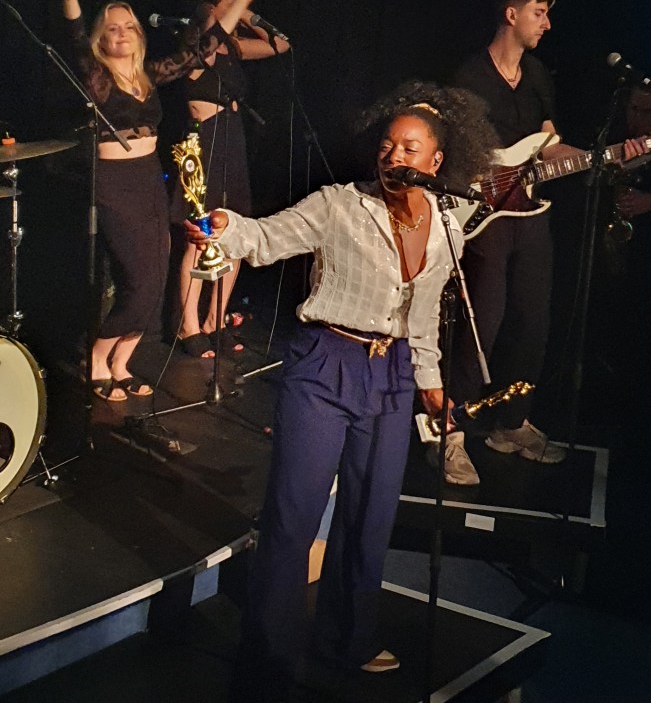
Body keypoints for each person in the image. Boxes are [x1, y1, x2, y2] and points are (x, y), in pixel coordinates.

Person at [185, 81, 494, 698]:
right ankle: (268, 660)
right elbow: (267, 237)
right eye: (387, 145)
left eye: (410, 148)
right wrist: (225, 229)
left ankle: (347, 640)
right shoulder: (340, 205)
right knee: (293, 517)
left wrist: (431, 388)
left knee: (370, 517)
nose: (394, 156)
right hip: (326, 363)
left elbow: (424, 318)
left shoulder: (447, 227)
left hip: (392, 374)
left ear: (436, 162)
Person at [35, 0, 258, 402]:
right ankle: (97, 358)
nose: (120, 33)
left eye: (128, 26)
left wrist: (241, 1)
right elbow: (73, 32)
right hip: (113, 185)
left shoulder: (149, 76)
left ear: (139, 35)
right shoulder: (96, 78)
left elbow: (202, 50)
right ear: (102, 38)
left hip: (148, 176)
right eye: (112, 28)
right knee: (137, 280)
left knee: (156, 280)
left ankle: (122, 363)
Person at [452, 0, 647, 474]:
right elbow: (458, 151)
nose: (547, 24)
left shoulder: (538, 74)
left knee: (534, 323)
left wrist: (604, 157)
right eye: (539, 13)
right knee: (482, 326)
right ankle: (450, 431)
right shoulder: (470, 76)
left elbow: (548, 145)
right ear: (511, 14)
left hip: (532, 213)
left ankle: (512, 422)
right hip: (488, 216)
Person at [173, 0, 290, 359]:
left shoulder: (233, 48)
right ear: (209, 8)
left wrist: (249, 12)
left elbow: (281, 44)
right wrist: (238, 3)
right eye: (229, 2)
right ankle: (188, 325)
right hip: (204, 142)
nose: (237, 9)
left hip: (232, 140)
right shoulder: (196, 46)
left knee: (233, 231)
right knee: (201, 234)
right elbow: (209, 42)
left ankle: (215, 320)